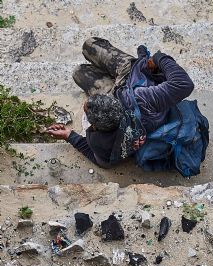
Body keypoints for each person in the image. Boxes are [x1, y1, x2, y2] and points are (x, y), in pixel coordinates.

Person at [47, 37, 194, 168]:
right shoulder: (144, 98)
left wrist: (70, 136)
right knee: (89, 46)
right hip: (133, 79)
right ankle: (115, 73)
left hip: (123, 83)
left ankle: (109, 75)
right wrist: (158, 58)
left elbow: (102, 162)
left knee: (79, 71)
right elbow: (184, 84)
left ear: (96, 127)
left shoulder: (101, 142)